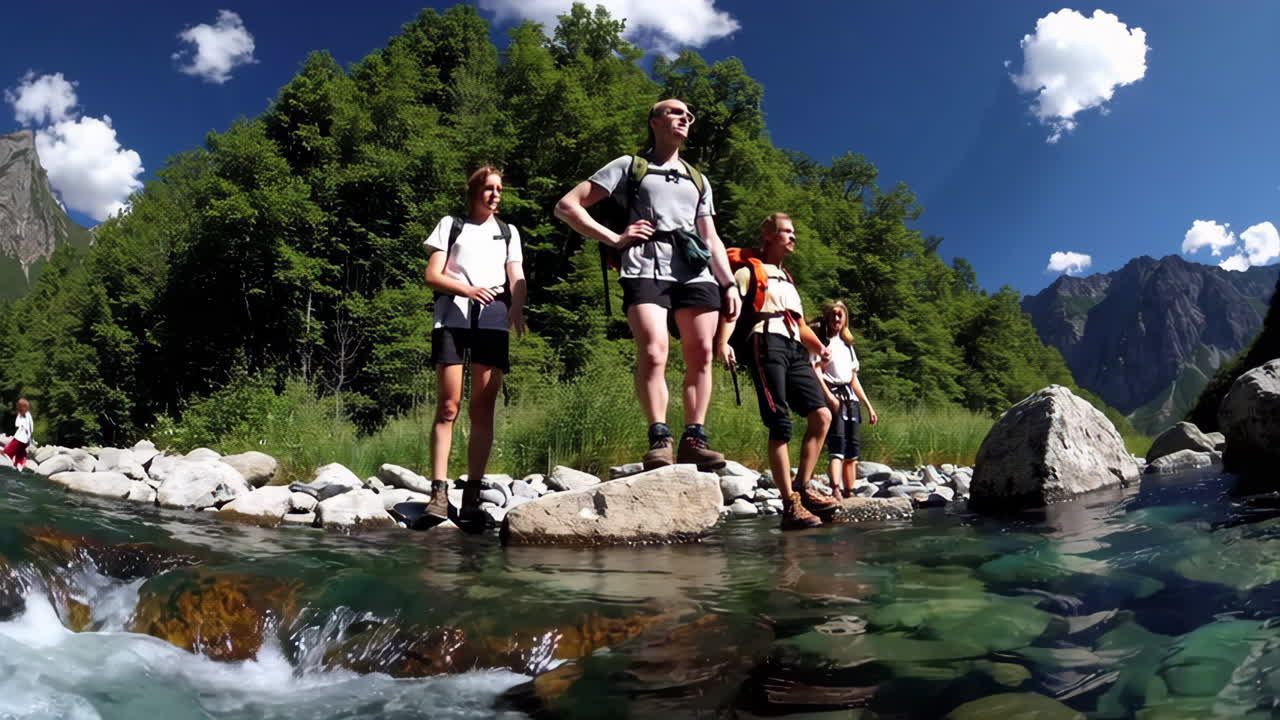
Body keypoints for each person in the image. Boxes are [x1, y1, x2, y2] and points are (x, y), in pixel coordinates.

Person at [555, 98, 741, 471]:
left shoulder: (698, 179)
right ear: (654, 121)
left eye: (688, 115)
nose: (685, 118)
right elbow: (568, 205)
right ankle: (660, 438)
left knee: (702, 353)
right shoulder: (629, 166)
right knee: (655, 352)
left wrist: (729, 283)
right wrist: (614, 238)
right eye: (675, 112)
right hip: (644, 266)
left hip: (695, 270)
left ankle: (695, 439)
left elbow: (710, 236)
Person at [717, 214, 842, 530]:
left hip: (794, 347)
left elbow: (800, 325)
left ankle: (802, 486)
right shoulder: (749, 271)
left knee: (822, 416)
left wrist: (821, 348)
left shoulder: (787, 279)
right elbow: (733, 311)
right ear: (769, 236)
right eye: (786, 231)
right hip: (765, 341)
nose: (793, 237)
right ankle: (790, 505)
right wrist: (723, 342)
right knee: (780, 422)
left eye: (793, 232)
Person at [422, 167, 526, 532]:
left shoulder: (509, 232)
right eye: (488, 188)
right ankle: (438, 492)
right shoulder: (451, 225)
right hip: (453, 316)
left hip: (493, 318)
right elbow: (432, 275)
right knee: (448, 406)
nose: (495, 194)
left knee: (483, 407)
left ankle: (472, 495)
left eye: (499, 189)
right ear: (474, 191)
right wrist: (467, 290)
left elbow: (516, 275)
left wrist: (517, 307)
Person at [813, 300, 878, 499]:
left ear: (845, 319)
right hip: (834, 397)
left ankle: (850, 491)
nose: (836, 318)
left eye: (840, 315)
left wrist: (868, 406)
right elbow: (816, 370)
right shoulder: (823, 343)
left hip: (851, 400)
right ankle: (835, 489)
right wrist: (828, 396)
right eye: (833, 314)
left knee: (852, 449)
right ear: (828, 318)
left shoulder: (848, 347)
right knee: (837, 446)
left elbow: (853, 379)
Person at [3, 398, 33, 470]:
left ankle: (8, 468)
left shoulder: (21, 415)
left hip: (19, 438)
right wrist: (29, 440)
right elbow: (31, 428)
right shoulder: (29, 415)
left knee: (7, 453)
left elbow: (17, 424)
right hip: (26, 440)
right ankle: (18, 468)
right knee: (20, 457)